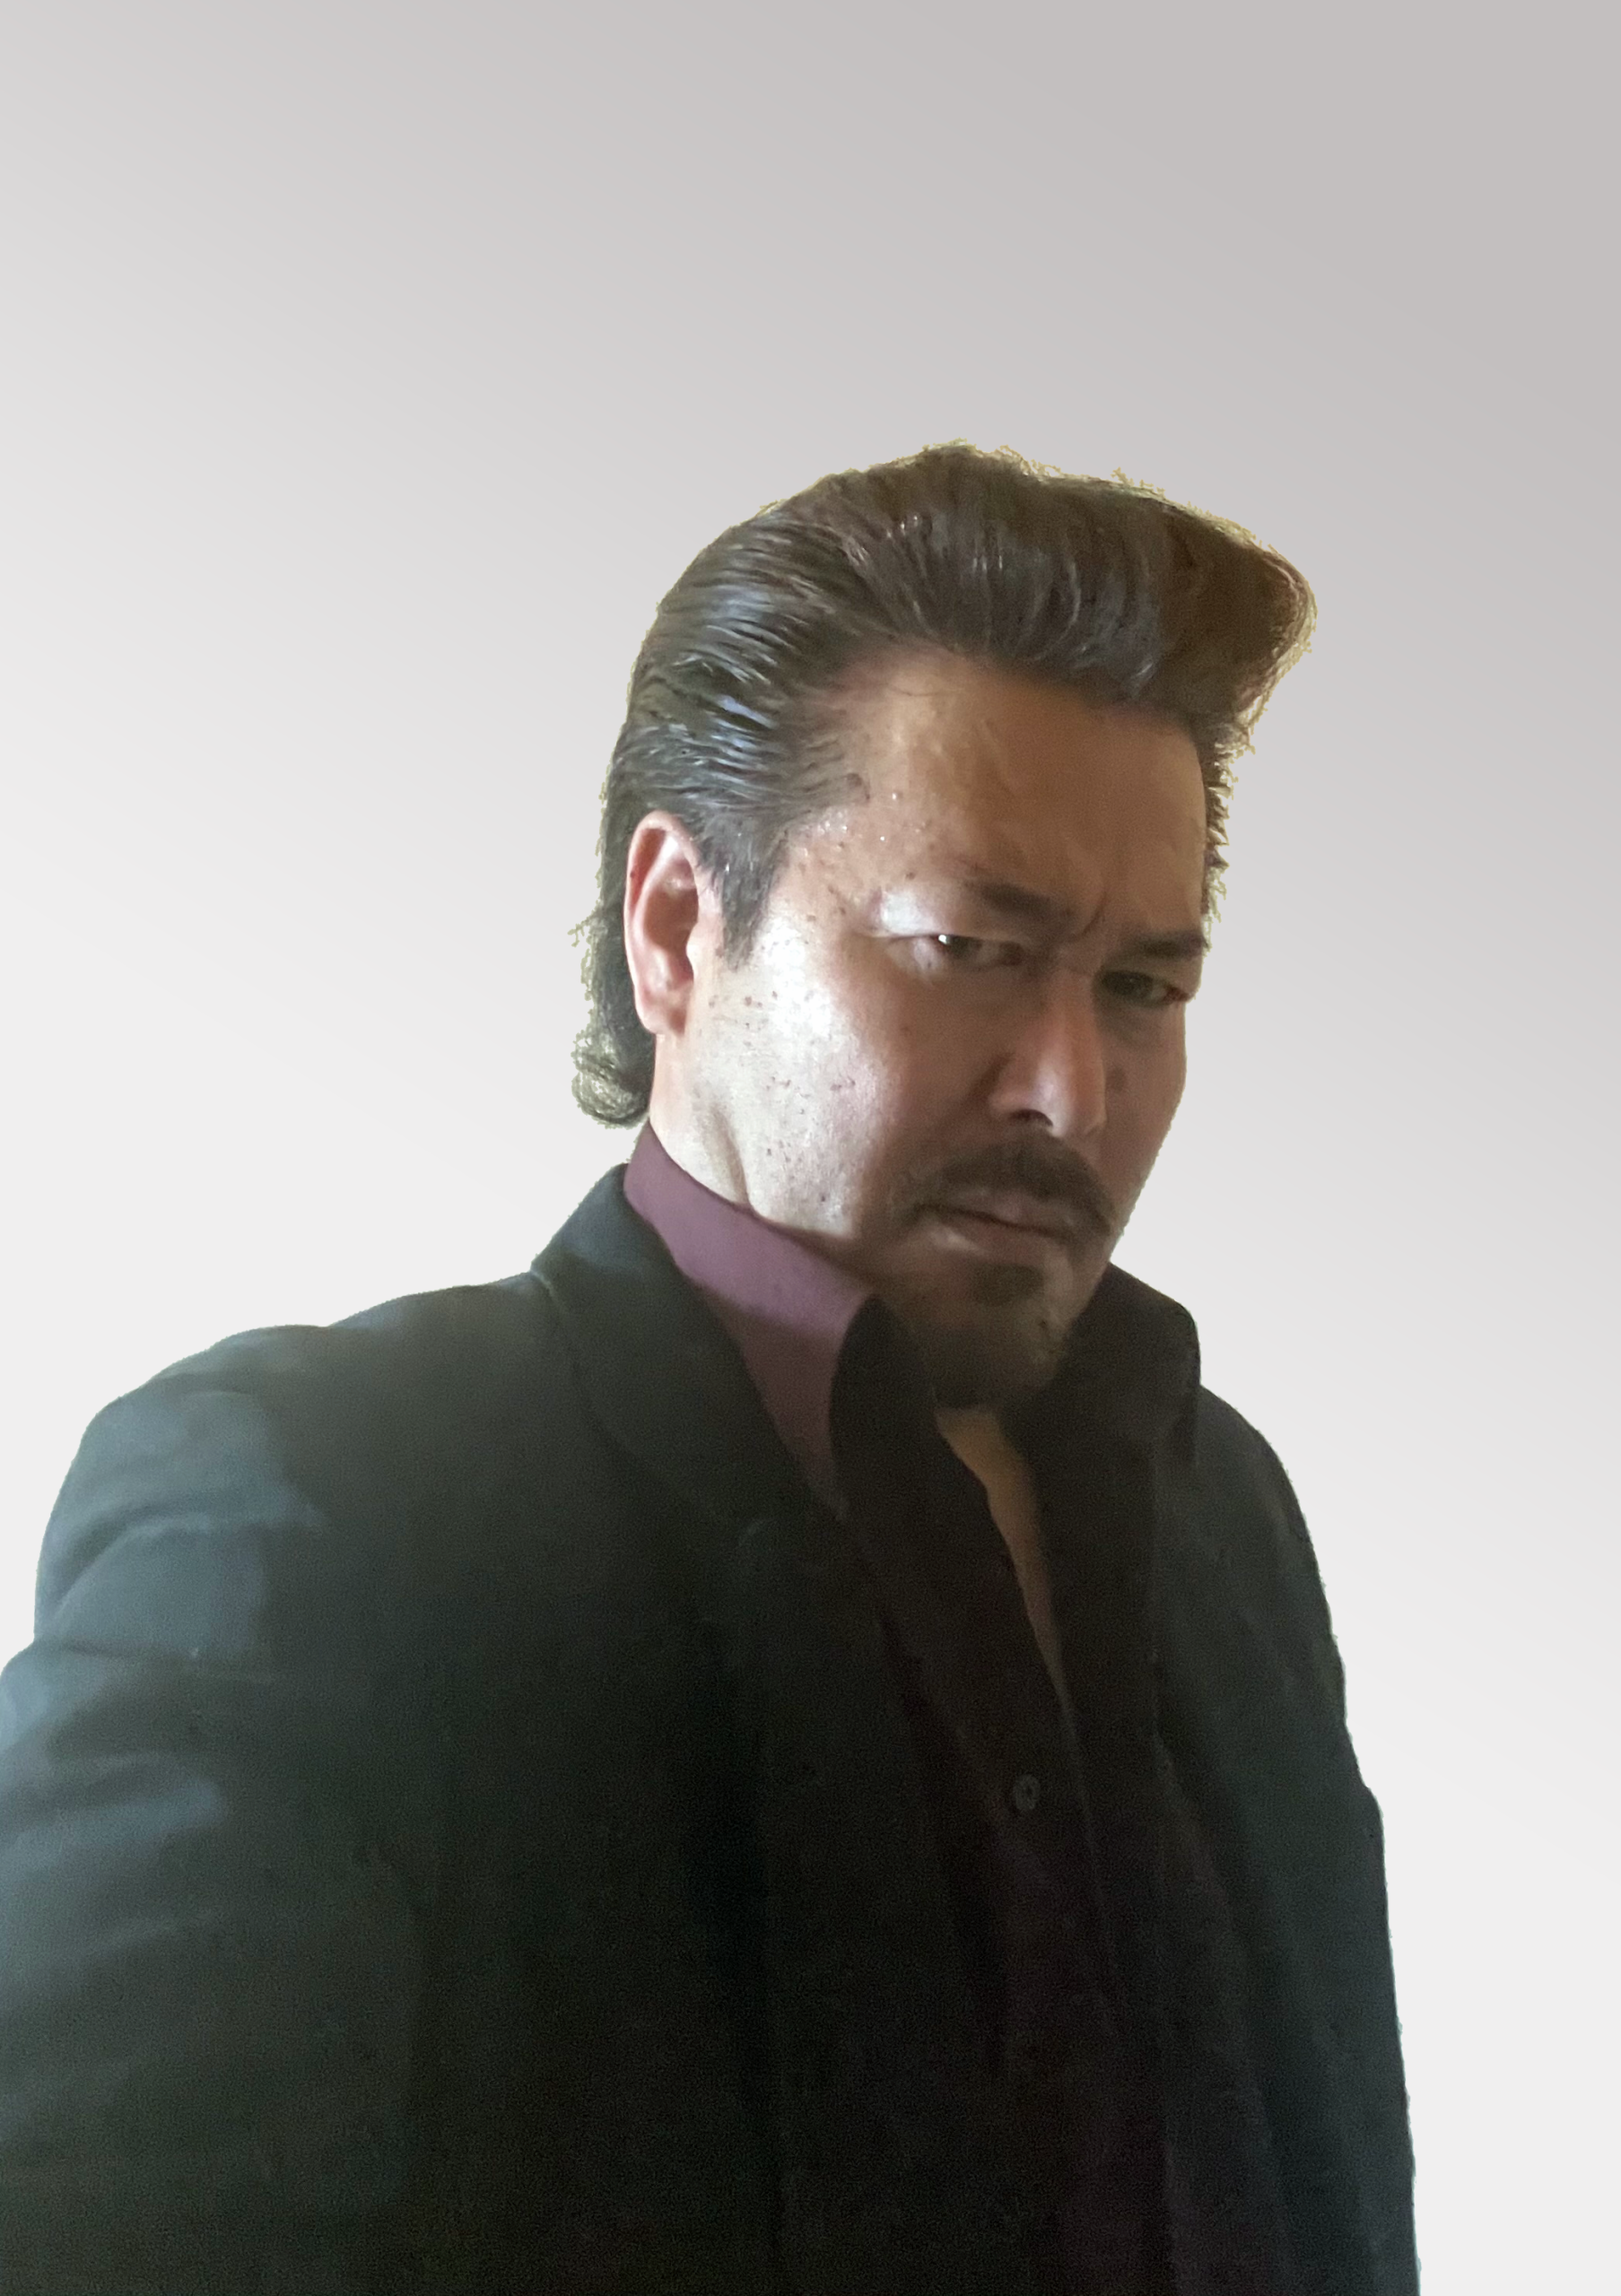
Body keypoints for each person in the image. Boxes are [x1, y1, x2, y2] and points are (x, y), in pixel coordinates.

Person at [0, 443, 1418, 2294]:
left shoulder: (1217, 1501)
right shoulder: (315, 1503)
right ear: (676, 925)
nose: (1072, 1091)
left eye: (1143, 989)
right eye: (972, 950)